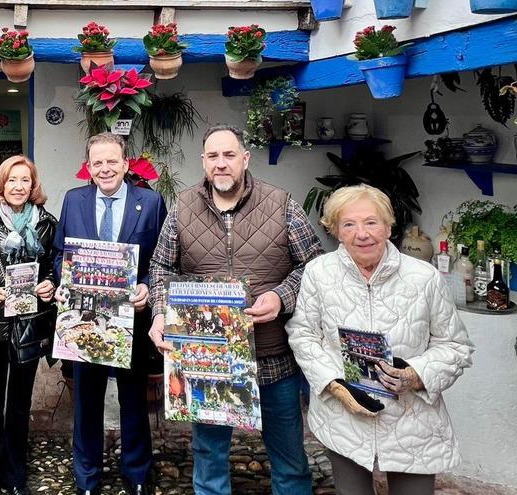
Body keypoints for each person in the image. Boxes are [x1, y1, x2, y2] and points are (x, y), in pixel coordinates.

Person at [148, 124, 324, 495]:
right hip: (207, 361)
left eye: (229, 155)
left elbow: (315, 266)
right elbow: (161, 268)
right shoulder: (182, 207)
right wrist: (160, 313)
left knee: (290, 462)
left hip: (274, 358)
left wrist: (281, 297)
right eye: (213, 156)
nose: (221, 164)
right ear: (203, 162)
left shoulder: (281, 204)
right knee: (209, 459)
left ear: (245, 159)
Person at [285, 184, 474, 495]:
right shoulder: (319, 273)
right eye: (349, 224)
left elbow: (456, 346)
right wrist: (334, 384)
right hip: (344, 417)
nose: (362, 234)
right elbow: (303, 333)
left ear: (388, 226)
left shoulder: (424, 278)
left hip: (412, 422)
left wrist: (415, 375)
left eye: (372, 222)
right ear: (336, 231)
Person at [54, 132, 167, 495]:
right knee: (87, 401)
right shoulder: (73, 200)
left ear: (125, 163)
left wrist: (148, 286)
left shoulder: (149, 202)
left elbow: (163, 259)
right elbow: (60, 254)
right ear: (89, 166)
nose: (104, 169)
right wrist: (65, 280)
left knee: (134, 398)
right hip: (85, 318)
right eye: (97, 162)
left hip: (130, 320)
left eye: (111, 161)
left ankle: (136, 473)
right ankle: (86, 475)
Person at [0, 155, 58, 495]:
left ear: (33, 186)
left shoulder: (47, 223)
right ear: (0, 185)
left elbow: (52, 266)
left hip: (30, 324)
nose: (19, 187)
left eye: (25, 181)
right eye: (12, 180)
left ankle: (15, 474)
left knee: (20, 403)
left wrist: (49, 284)